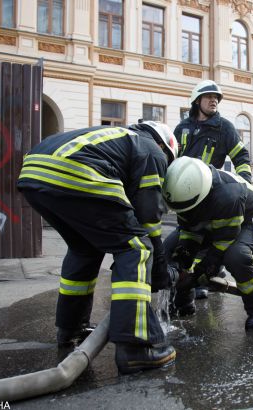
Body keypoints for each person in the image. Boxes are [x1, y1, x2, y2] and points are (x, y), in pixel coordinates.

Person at [16, 122, 179, 374]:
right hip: (77, 170)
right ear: (164, 146)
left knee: (84, 248)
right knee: (136, 248)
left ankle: (70, 329)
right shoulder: (152, 150)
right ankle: (137, 348)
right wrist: (160, 273)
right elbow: (149, 221)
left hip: (33, 174)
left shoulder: (119, 138)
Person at [162, 157, 253, 330]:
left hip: (248, 218)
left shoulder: (228, 196)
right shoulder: (183, 194)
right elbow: (189, 233)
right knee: (170, 249)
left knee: (236, 256)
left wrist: (200, 275)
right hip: (213, 215)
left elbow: (221, 245)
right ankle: (183, 304)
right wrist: (179, 263)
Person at [171, 80, 252, 299]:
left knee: (209, 235)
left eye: (216, 97)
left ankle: (204, 279)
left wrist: (243, 183)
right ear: (197, 101)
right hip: (185, 192)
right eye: (209, 96)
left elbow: (241, 157)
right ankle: (183, 286)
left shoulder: (224, 127)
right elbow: (172, 158)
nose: (214, 100)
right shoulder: (182, 128)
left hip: (211, 189)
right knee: (185, 239)